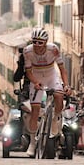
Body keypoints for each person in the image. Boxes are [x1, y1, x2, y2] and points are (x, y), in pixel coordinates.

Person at [22, 28, 71, 157]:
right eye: (34, 42)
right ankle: (32, 143)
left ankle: (56, 118)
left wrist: (66, 85)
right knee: (35, 110)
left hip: (51, 76)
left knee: (59, 95)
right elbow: (28, 72)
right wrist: (35, 82)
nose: (37, 45)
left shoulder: (53, 49)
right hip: (37, 77)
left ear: (45, 42)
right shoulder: (27, 51)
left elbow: (62, 69)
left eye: (40, 42)